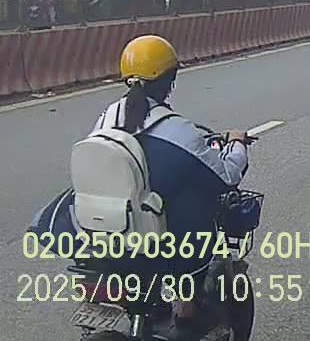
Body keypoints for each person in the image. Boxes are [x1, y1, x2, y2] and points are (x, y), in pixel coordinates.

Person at [30, 34, 252, 338]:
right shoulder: (179, 131)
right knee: (194, 209)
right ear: (170, 80)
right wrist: (237, 143)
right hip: (153, 241)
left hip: (99, 235)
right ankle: (186, 306)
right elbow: (226, 176)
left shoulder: (107, 118)